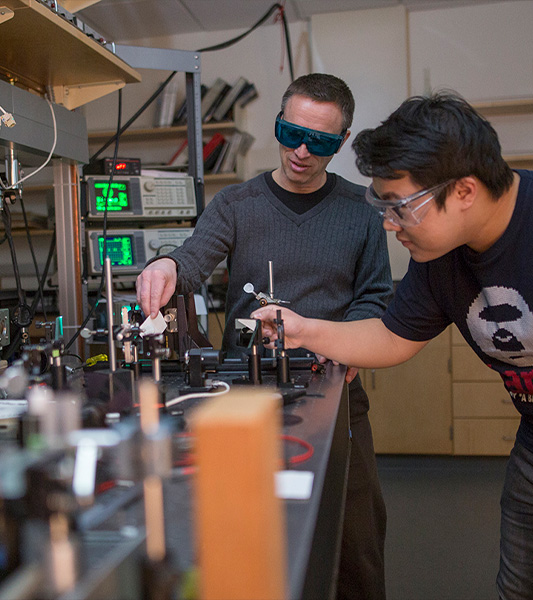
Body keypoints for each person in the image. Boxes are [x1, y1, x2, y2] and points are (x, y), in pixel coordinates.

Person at [252, 90, 533, 600]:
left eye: (399, 207)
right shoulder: (440, 255)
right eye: (382, 206)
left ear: (463, 190)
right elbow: (393, 336)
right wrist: (300, 329)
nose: (389, 225)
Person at [136, 73, 392, 600]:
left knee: (355, 545)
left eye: (319, 142)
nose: (300, 151)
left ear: (341, 142)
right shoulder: (237, 204)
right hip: (243, 397)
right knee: (242, 535)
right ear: (277, 122)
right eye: (290, 132)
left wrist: (346, 341)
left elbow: (374, 296)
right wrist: (165, 265)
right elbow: (192, 260)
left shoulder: (362, 211)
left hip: (336, 395)